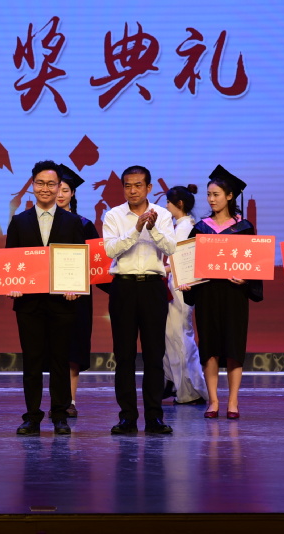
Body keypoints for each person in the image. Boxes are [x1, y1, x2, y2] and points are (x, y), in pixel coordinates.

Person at [6, 160, 85, 436]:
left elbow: (79, 259)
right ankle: (32, 417)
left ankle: (60, 415)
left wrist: (75, 286)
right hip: (28, 303)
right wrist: (12, 284)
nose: (45, 188)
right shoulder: (19, 221)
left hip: (62, 302)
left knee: (60, 361)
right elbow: (10, 261)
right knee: (32, 362)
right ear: (32, 186)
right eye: (40, 183)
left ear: (60, 187)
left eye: (51, 184)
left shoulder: (73, 222)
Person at [181, 165, 263, 420]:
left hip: (234, 295)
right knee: (210, 348)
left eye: (216, 194)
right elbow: (188, 262)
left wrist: (247, 279)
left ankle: (233, 401)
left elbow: (254, 264)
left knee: (234, 347)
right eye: (208, 194)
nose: (211, 199)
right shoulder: (200, 228)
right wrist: (186, 282)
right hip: (207, 295)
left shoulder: (244, 227)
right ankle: (214, 401)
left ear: (229, 196)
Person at [103, 165, 176, 435]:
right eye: (128, 186)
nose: (132, 190)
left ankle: (154, 417)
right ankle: (127, 418)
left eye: (138, 185)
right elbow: (110, 249)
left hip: (153, 288)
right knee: (124, 356)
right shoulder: (113, 215)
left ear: (149, 188)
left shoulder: (163, 215)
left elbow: (170, 248)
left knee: (154, 355)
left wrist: (153, 228)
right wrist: (135, 230)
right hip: (123, 287)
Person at [56, 164, 99, 418]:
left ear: (73, 193)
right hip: (49, 295)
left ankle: (70, 400)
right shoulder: (42, 223)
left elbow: (96, 261)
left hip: (78, 296)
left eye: (65, 190)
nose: (60, 194)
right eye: (57, 189)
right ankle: (55, 400)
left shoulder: (84, 225)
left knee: (73, 349)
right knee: (54, 350)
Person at [163, 184, 207, 406]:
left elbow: (177, 260)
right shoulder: (182, 225)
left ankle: (190, 389)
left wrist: (157, 269)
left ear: (178, 204)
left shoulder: (185, 227)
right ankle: (177, 383)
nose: (166, 206)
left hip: (181, 287)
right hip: (176, 285)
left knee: (179, 336)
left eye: (168, 203)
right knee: (174, 336)